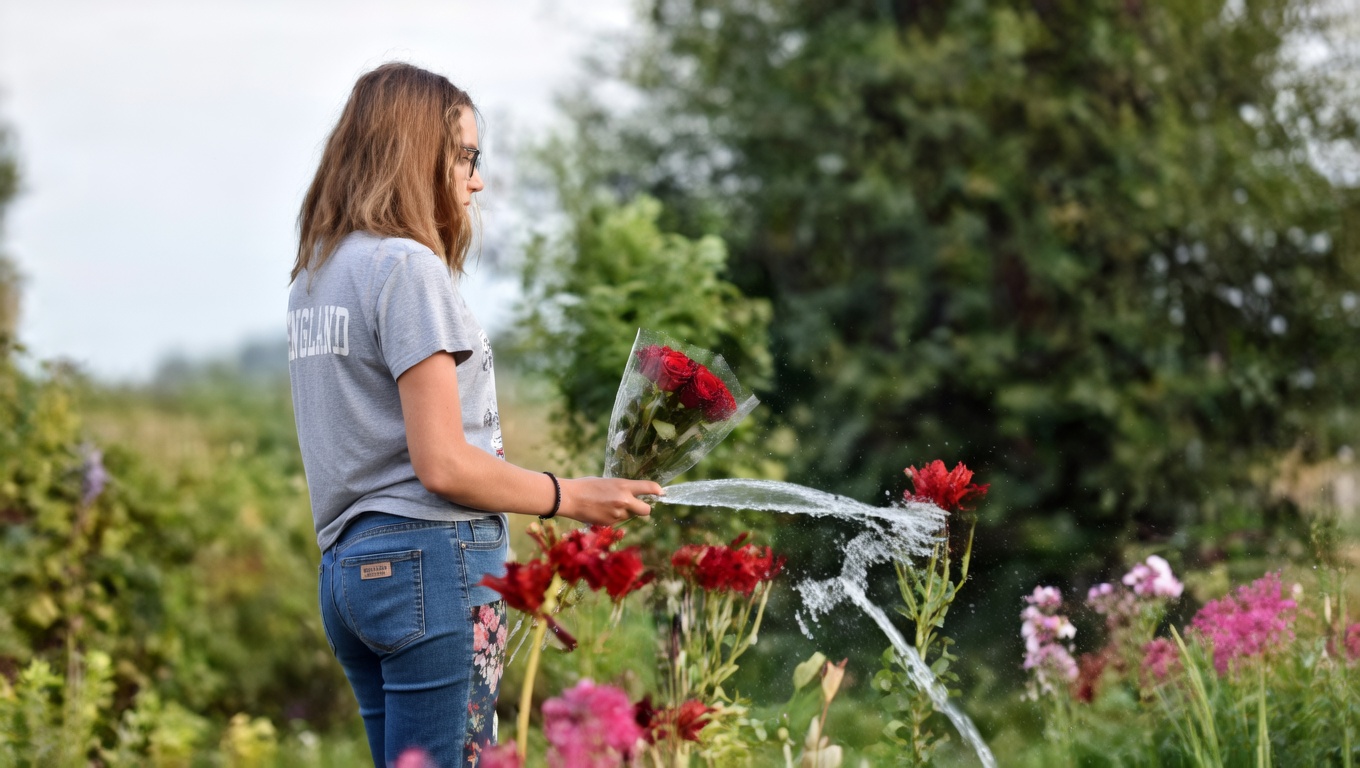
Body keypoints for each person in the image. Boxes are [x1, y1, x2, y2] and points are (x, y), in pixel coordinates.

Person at [287, 62, 662, 768]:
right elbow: (444, 464)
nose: (476, 180)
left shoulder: (317, 275)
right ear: (415, 152)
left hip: (348, 576)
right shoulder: (406, 269)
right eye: (465, 156)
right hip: (432, 567)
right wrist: (571, 497)